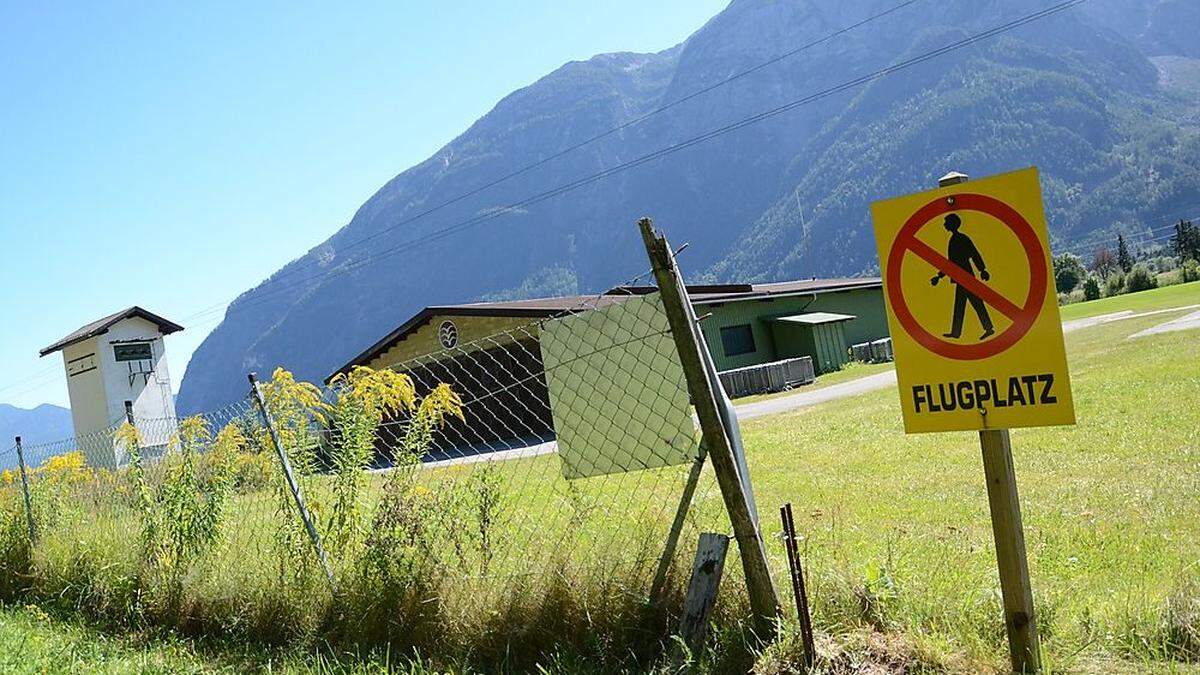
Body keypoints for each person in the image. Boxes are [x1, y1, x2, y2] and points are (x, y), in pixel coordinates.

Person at [930, 213, 995, 340]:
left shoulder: (961, 239)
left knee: (975, 303)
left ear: (952, 224)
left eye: (946, 222)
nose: (944, 225)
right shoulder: (955, 239)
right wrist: (939, 276)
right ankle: (957, 332)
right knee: (961, 304)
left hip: (966, 277)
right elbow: (951, 264)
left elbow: (974, 254)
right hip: (960, 277)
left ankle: (988, 328)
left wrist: (982, 270)